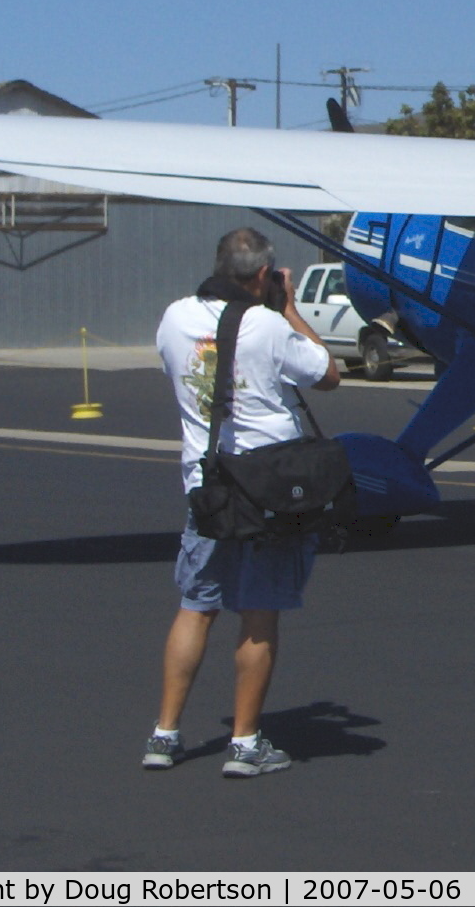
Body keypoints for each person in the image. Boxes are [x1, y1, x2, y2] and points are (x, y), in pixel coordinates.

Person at [143, 227, 340, 777]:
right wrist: (290, 309)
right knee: (259, 612)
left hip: (206, 483)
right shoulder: (269, 325)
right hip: (268, 488)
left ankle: (164, 734)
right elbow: (328, 374)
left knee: (196, 604)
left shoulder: (175, 318)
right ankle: (245, 742)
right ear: (262, 275)